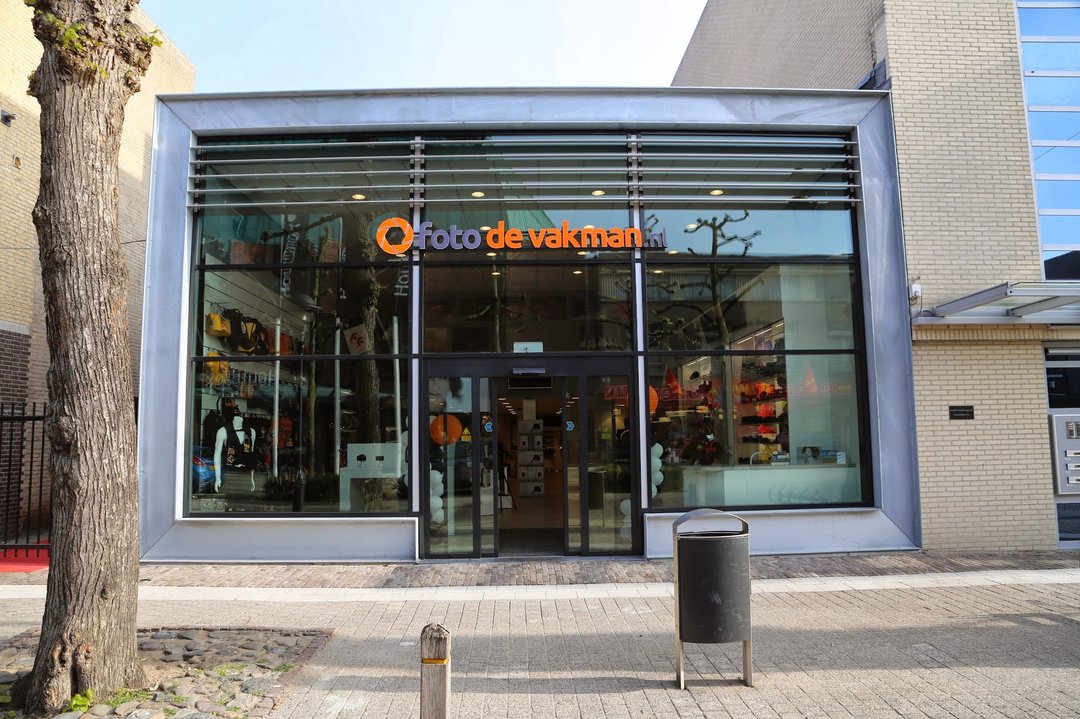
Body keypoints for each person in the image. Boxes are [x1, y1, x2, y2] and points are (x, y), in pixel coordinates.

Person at [214, 406, 256, 492]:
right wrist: (217, 477)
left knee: (244, 497)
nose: (238, 419)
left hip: (246, 474)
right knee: (230, 496)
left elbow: (251, 456)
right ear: (232, 419)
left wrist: (252, 479)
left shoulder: (251, 432)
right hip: (230, 473)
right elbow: (217, 455)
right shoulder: (223, 431)